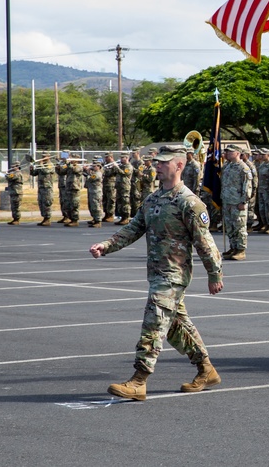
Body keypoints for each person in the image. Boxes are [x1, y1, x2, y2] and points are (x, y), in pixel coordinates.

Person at [90, 145, 224, 399]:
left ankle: (139, 380)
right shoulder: (153, 199)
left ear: (179, 166)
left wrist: (214, 274)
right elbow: (133, 228)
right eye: (156, 162)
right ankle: (206, 370)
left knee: (153, 322)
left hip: (173, 275)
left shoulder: (189, 203)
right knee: (175, 325)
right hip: (156, 273)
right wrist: (105, 246)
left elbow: (205, 243)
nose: (157, 166)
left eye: (163, 162)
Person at [220, 144, 252, 261]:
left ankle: (241, 249)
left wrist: (244, 201)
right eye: (227, 152)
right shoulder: (227, 166)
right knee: (230, 226)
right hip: (227, 201)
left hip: (237, 202)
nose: (227, 153)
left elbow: (247, 186)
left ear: (238, 153)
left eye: (230, 152)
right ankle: (233, 247)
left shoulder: (243, 168)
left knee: (239, 226)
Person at [29, 153, 55, 226]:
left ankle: (48, 218)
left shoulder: (50, 164)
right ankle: (44, 217)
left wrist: (41, 165)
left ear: (48, 157)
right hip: (41, 186)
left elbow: (46, 171)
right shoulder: (41, 165)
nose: (43, 158)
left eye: (44, 156)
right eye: (42, 156)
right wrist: (31, 169)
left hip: (47, 187)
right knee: (41, 202)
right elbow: (35, 173)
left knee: (47, 202)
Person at [64, 157, 83, 227]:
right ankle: (71, 219)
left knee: (74, 205)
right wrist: (58, 167)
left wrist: (68, 164)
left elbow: (75, 170)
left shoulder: (79, 167)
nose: (72, 160)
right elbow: (62, 172)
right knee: (68, 205)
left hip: (75, 188)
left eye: (73, 159)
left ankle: (75, 220)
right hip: (69, 188)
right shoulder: (69, 166)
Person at [85, 159, 104, 227]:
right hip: (92, 191)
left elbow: (90, 179)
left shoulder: (97, 174)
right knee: (92, 206)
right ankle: (95, 219)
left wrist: (88, 173)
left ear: (98, 166)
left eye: (94, 166)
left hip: (96, 192)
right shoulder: (94, 174)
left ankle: (98, 221)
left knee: (96, 206)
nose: (93, 167)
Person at [4, 161, 24, 225]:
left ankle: (17, 219)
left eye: (14, 166)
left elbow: (9, 177)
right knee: (13, 206)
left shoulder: (17, 173)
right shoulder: (14, 173)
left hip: (17, 192)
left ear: (17, 167)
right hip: (14, 191)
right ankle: (15, 218)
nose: (12, 167)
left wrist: (7, 173)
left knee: (16, 206)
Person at [101, 152, 117, 222]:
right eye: (105, 157)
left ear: (111, 157)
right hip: (105, 184)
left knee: (111, 199)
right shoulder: (105, 164)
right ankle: (106, 214)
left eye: (107, 157)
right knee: (105, 200)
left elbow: (110, 173)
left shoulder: (114, 165)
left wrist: (104, 170)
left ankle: (110, 215)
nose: (106, 159)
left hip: (111, 184)